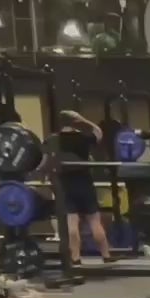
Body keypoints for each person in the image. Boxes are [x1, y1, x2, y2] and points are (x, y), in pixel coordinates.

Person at [55, 111, 113, 266]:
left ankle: (75, 257)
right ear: (74, 121)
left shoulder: (55, 139)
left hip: (67, 184)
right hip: (85, 183)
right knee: (94, 221)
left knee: (72, 223)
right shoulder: (82, 138)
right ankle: (106, 255)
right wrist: (84, 120)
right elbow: (99, 133)